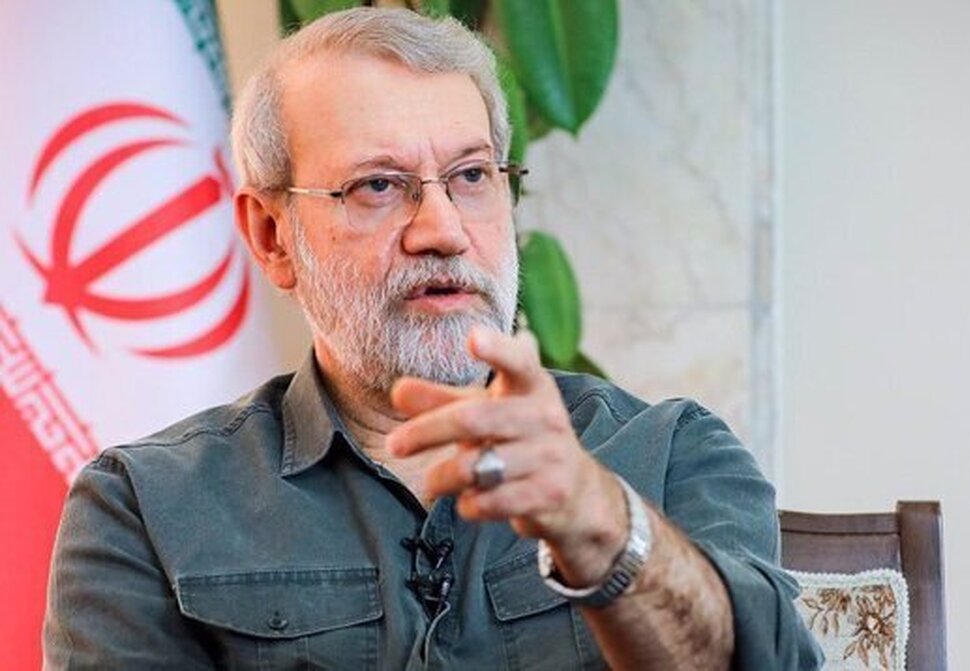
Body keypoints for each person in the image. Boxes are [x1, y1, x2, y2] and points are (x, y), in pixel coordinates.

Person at [42, 7, 822, 670]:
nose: (443, 229)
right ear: (272, 236)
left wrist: (600, 522)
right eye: (378, 185)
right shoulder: (145, 506)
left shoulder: (673, 454)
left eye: (473, 175)